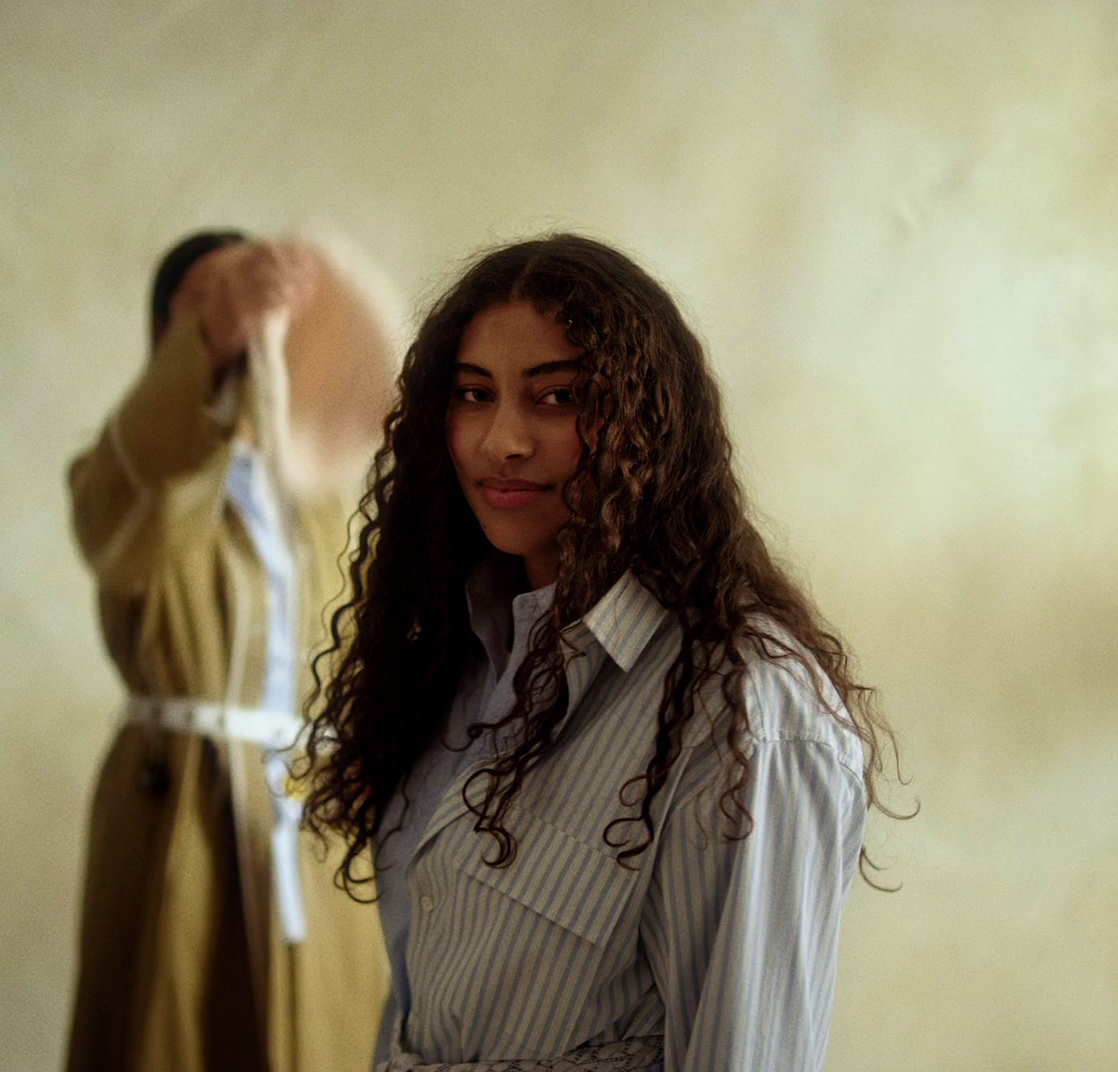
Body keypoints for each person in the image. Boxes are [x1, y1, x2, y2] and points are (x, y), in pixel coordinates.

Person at [299, 234, 902, 1071]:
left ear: (649, 425)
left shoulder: (744, 715)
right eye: (475, 395)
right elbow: (420, 1008)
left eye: (557, 399)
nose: (502, 440)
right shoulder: (461, 656)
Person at [64, 229, 395, 1072]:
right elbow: (121, 525)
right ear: (167, 330)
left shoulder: (320, 499)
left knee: (329, 1033)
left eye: (257, 297)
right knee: (173, 1030)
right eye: (209, 298)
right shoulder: (129, 474)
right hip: (178, 807)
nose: (248, 316)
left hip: (317, 825)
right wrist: (209, 342)